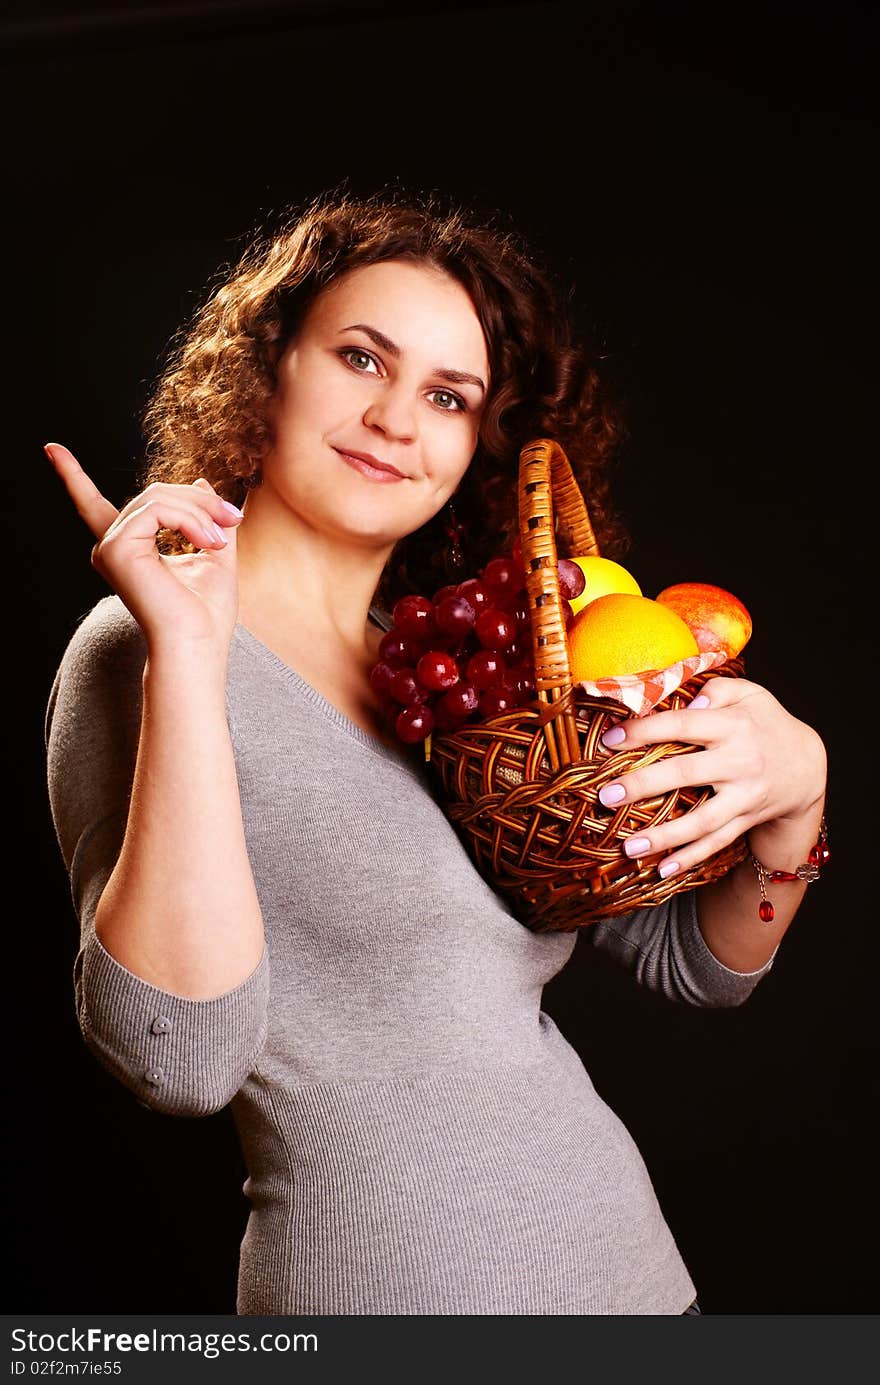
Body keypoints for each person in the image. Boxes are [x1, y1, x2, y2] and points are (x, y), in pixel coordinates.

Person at [44, 188, 828, 1316]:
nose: (397, 418)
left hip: (639, 1282)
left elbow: (694, 964)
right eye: (362, 358)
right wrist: (186, 650)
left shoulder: (450, 671)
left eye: (448, 395)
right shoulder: (140, 647)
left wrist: (796, 799)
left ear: (478, 444)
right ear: (269, 367)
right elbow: (178, 1057)